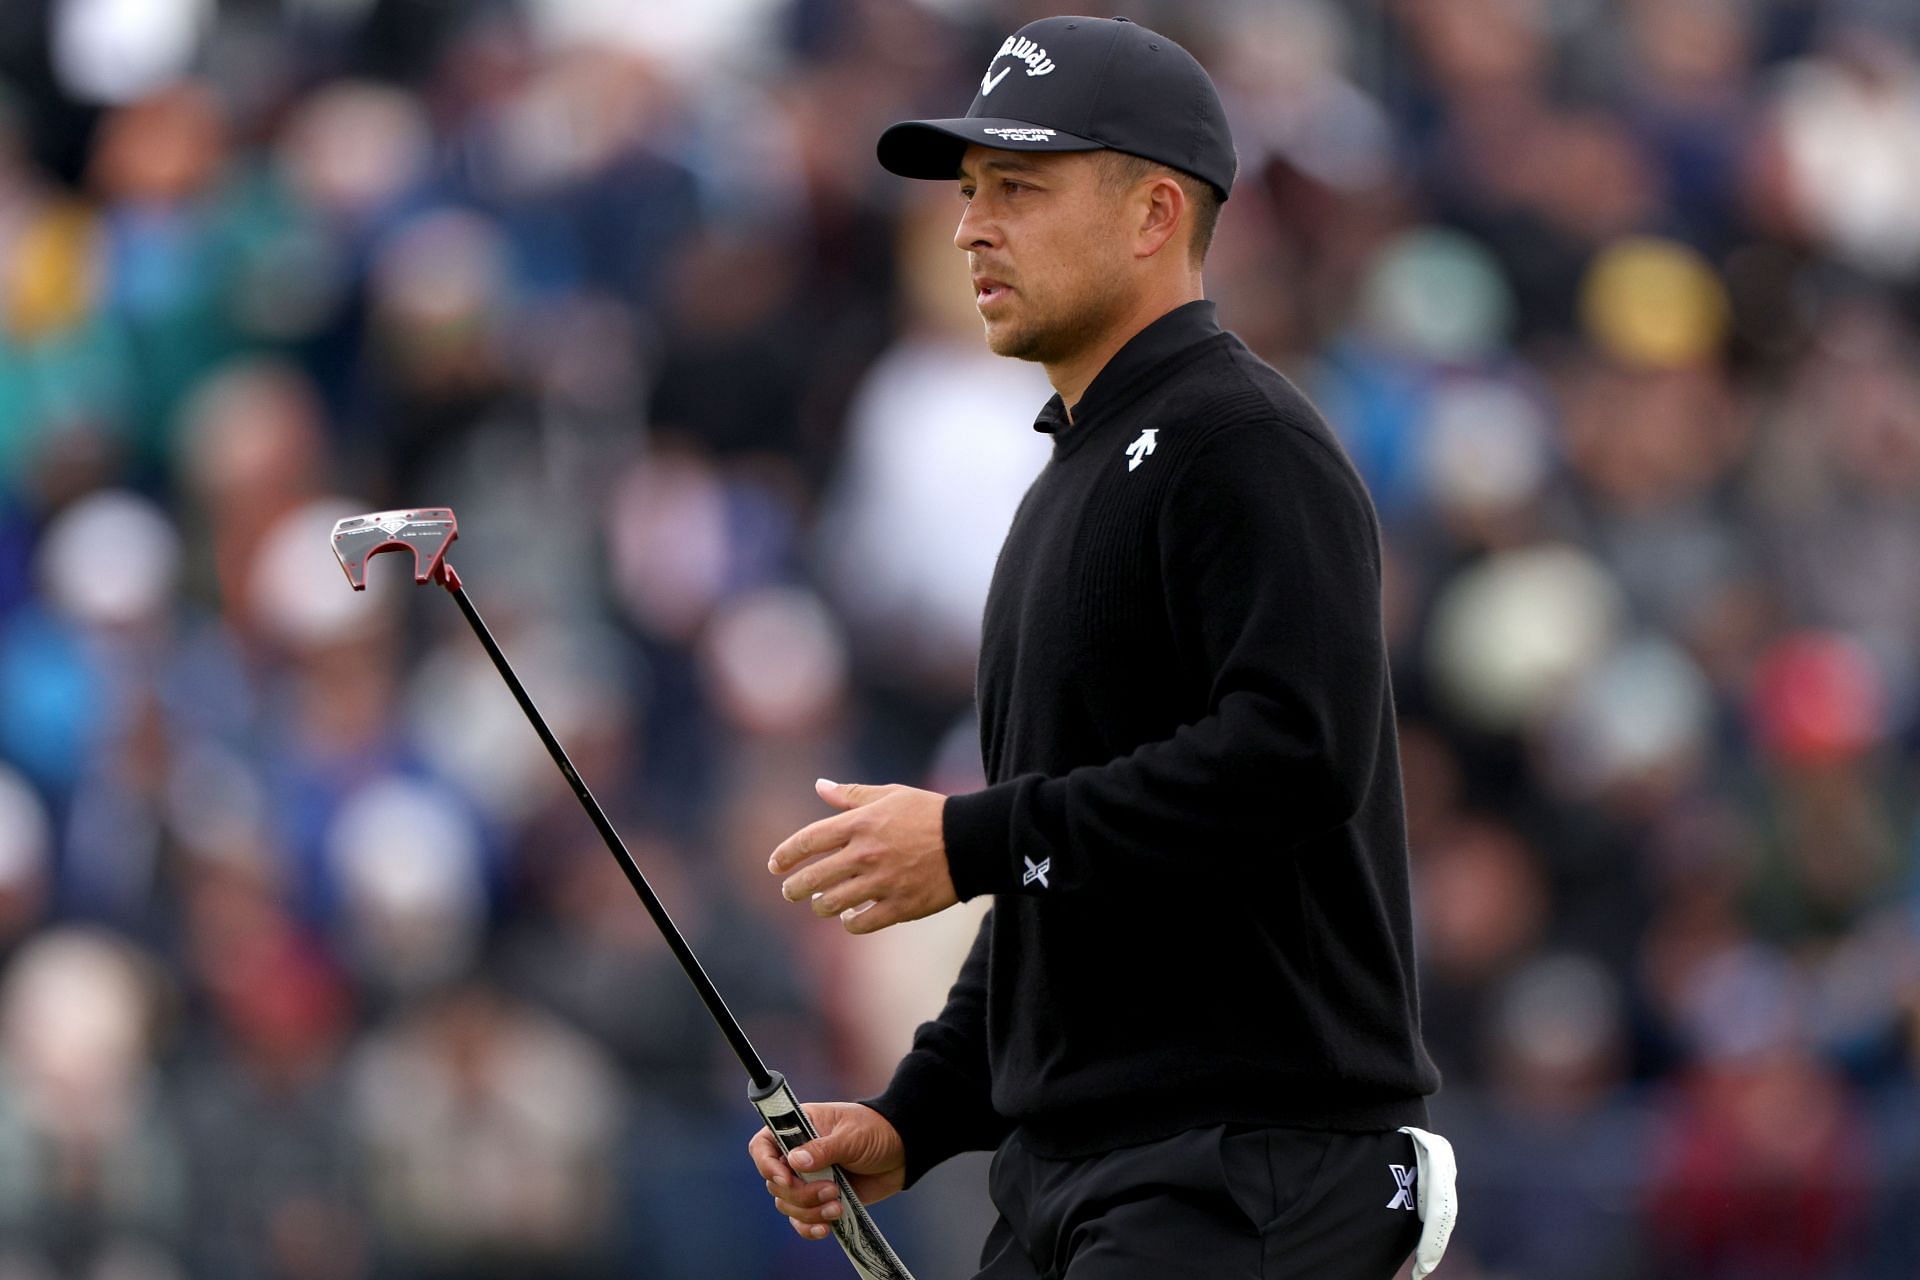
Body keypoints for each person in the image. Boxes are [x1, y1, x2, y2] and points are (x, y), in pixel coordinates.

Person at [750, 15, 1453, 1279]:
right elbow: (1057, 875)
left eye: (1017, 187)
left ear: (1153, 215)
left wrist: (965, 839)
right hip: (1087, 1177)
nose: (969, 227)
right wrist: (920, 1113)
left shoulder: (1243, 439)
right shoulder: (1064, 483)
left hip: (1248, 1167)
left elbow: (1294, 757)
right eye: (970, 193)